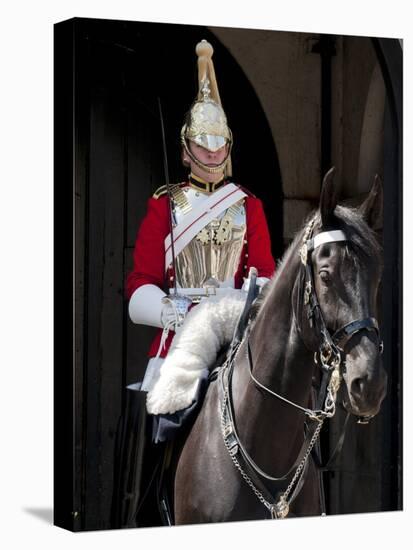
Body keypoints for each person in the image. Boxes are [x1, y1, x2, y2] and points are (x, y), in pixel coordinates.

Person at [113, 39, 275, 527]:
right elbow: (139, 283)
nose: (211, 150)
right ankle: (151, 508)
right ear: (186, 148)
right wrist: (171, 311)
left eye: (218, 141)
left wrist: (243, 302)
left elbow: (266, 273)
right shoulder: (166, 205)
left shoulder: (249, 206)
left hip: (234, 328)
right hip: (180, 333)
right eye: (201, 142)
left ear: (228, 146)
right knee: (164, 422)